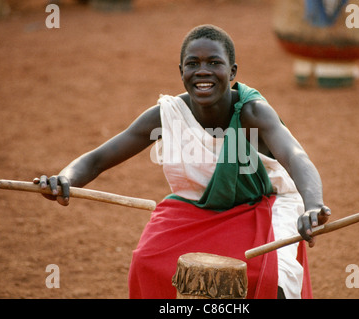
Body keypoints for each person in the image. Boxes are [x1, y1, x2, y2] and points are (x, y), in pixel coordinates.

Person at [34, 24, 331, 299]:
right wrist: (65, 179)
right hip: (198, 207)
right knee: (146, 262)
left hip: (266, 203)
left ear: (233, 70)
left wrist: (314, 205)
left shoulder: (253, 113)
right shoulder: (167, 115)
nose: (203, 71)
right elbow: (97, 159)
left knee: (273, 280)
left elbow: (296, 158)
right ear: (181, 71)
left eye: (214, 63)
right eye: (193, 64)